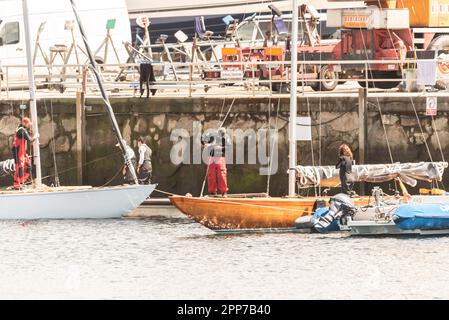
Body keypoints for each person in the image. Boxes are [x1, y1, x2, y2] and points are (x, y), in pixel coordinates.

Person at [202, 127, 231, 197]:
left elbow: (228, 146)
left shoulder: (226, 137)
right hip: (211, 157)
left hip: (220, 157)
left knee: (222, 174)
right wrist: (205, 144)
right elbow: (202, 139)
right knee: (211, 174)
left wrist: (220, 148)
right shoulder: (211, 135)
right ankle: (213, 192)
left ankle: (224, 192)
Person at [12, 117, 38, 190]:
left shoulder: (21, 129)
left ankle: (22, 181)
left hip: (22, 152)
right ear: (25, 123)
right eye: (28, 124)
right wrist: (36, 136)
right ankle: (17, 184)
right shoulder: (22, 131)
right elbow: (30, 140)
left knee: (28, 166)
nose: (29, 125)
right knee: (20, 168)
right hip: (19, 153)